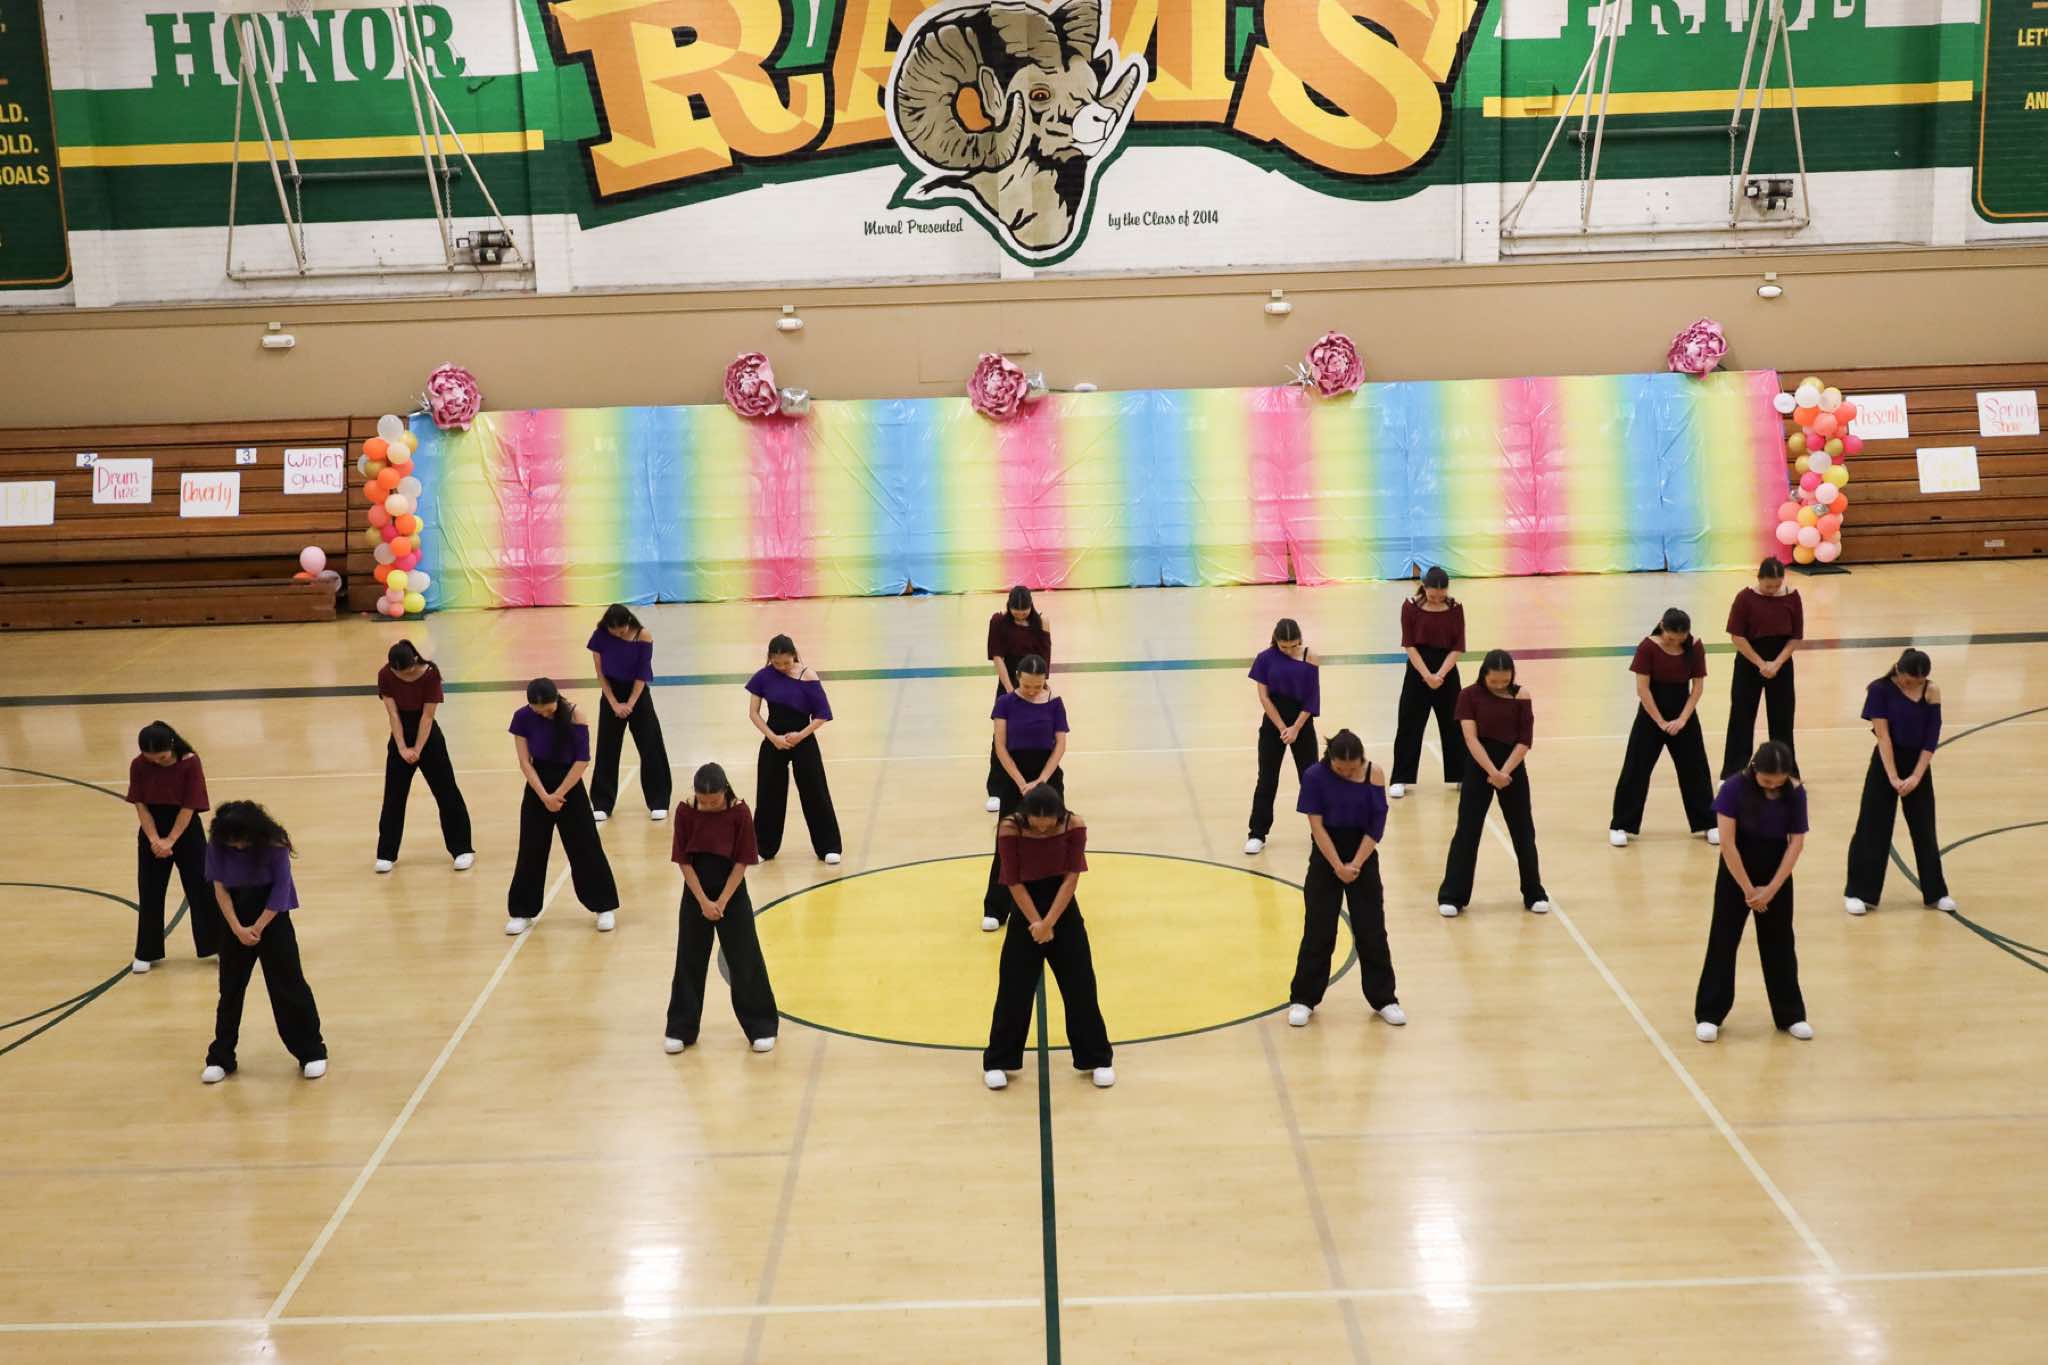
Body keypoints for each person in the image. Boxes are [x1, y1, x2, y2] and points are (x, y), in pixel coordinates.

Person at [982, 784, 1113, 1091]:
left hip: (1062, 908)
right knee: (1014, 988)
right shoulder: (1010, 828)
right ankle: (998, 1060)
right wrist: (1036, 923)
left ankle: (1097, 1057)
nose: (1042, 828)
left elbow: (1072, 876)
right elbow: (1012, 879)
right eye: (1036, 822)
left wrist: (1050, 922)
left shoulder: (1074, 824)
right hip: (1025, 909)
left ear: (1059, 814)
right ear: (1025, 815)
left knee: (1080, 985)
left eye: (1048, 822)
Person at [200, 801, 327, 1084]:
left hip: (271, 917)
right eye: (231, 842)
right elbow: (219, 889)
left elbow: (281, 889)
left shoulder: (275, 845)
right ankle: (221, 1056)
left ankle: (311, 1050)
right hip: (234, 918)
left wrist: (257, 928)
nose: (237, 846)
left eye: (241, 841)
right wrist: (237, 928)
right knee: (230, 989)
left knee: (288, 985)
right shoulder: (218, 844)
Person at [1694, 743, 1813, 1042]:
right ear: (1755, 769)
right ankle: (1710, 1013)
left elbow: (1796, 843)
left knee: (1780, 943)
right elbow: (1727, 844)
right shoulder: (1733, 789)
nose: (1773, 786)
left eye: (1778, 782)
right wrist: (1748, 889)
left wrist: (1771, 889)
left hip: (1776, 872)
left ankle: (1791, 1014)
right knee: (1723, 940)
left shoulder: (1795, 793)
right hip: (1737, 871)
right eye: (1767, 780)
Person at [1286, 730, 1403, 1028]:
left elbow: (1377, 824)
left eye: (1352, 769)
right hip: (1327, 856)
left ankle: (1384, 999)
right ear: (1330, 760)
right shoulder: (1314, 776)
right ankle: (1303, 998)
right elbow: (1316, 827)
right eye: (1340, 769)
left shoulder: (1374, 773)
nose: (1347, 773)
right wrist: (1338, 865)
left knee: (1371, 929)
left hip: (1363, 853)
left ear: (1362, 759)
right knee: (1319, 928)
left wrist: (1356, 863)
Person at [664, 764, 779, 1055]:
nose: (708, 806)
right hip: (696, 893)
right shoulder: (685, 811)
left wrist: (723, 901)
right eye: (703, 801)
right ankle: (680, 1028)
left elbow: (742, 861)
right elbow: (683, 861)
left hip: (732, 893)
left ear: (724, 791)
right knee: (689, 959)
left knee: (745, 958)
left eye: (714, 801)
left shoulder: (740, 812)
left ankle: (761, 1026)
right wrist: (703, 901)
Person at [1436, 650, 1549, 917]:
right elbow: (1470, 738)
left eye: (1505, 680)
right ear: (1483, 674)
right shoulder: (1468, 695)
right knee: (1467, 831)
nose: (1499, 685)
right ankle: (1452, 895)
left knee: (1523, 831)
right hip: (1479, 767)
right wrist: (1492, 772)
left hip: (1512, 768)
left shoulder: (1522, 696)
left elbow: (1525, 740)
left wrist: (1505, 772)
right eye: (1494, 681)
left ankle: (1534, 892)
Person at [1843, 648, 1956, 915]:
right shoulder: (1879, 690)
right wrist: (1893, 777)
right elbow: (1883, 737)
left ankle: (1936, 893)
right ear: (1898, 669)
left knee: (1925, 828)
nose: (1913, 685)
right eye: (1909, 680)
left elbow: (1931, 736)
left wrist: (1916, 776)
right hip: (1886, 762)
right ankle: (1858, 893)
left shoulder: (1931, 691)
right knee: (1872, 827)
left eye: (1919, 681)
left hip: (1918, 764)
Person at [506, 678, 620, 936]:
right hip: (538, 786)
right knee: (531, 848)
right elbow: (525, 762)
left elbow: (582, 760)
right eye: (539, 711)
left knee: (586, 846)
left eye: (548, 709)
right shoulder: (522, 717)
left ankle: (603, 906)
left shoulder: (575, 715)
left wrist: (558, 794)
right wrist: (544, 796)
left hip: (569, 785)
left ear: (557, 699)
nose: (544, 714)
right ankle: (522, 911)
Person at [1609, 608, 1717, 848]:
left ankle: (1708, 822)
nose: (1675, 642)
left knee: (1696, 769)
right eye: (1670, 638)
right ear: (1661, 626)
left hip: (1683, 714)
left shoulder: (1695, 647)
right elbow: (1642, 689)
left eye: (1680, 639)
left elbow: (1697, 688)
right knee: (1636, 769)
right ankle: (1621, 825)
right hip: (1651, 714)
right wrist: (1660, 722)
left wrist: (1682, 720)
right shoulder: (1647, 647)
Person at [126, 721, 221, 974]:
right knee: (150, 891)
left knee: (201, 888)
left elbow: (190, 805)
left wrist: (170, 840)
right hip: (152, 829)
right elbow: (140, 805)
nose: (156, 762)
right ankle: (146, 952)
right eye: (150, 758)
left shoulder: (190, 762)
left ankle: (216, 945)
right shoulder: (138, 765)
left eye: (162, 757)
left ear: (171, 746)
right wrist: (154, 839)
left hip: (186, 828)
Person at [374, 640, 475, 874]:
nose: (402, 675)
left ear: (414, 661)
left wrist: (418, 749)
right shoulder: (385, 674)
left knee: (447, 793)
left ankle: (462, 849)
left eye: (406, 671)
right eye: (397, 672)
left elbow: (427, 717)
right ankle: (386, 853)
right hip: (400, 735)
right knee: (393, 797)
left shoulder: (431, 675)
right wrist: (401, 748)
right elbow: (393, 714)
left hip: (428, 738)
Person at [983, 653, 1067, 931]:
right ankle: (996, 907)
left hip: (1048, 779)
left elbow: (1060, 745)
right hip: (1014, 778)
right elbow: (1000, 746)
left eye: (1037, 686)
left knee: (1053, 842)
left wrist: (1042, 780)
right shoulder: (1005, 703)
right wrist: (1021, 783)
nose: (1032, 691)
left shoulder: (1055, 704)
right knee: (1007, 841)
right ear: (1018, 678)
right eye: (1027, 685)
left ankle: (1053, 907)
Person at [746, 635, 842, 865]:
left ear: (794, 656)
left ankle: (828, 846)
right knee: (768, 794)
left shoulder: (808, 675)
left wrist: (800, 735)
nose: (781, 667)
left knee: (815, 791)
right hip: (774, 741)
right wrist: (773, 738)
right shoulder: (762, 677)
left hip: (804, 740)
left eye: (786, 663)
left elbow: (822, 714)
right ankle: (763, 847)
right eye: (776, 663)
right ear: (770, 658)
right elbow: (754, 714)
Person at [586, 604, 673, 822]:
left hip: (638, 694)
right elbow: (600, 673)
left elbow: (642, 672)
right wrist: (614, 703)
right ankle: (602, 803)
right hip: (611, 694)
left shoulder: (643, 635)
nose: (618, 634)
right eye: (613, 631)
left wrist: (631, 703)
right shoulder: (599, 636)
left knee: (651, 746)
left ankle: (659, 801)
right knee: (607, 748)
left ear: (629, 622)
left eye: (622, 630)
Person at [1244, 618, 1321, 856]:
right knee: (1267, 779)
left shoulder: (1310, 656)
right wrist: (1281, 728)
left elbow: (1312, 697)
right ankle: (1257, 834)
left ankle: (1320, 834)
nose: (1288, 651)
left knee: (1311, 780)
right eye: (1283, 646)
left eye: (1293, 646)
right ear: (1275, 641)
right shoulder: (1264, 658)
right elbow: (1264, 697)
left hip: (1302, 724)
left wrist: (1296, 728)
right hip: (1273, 726)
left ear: (1300, 640)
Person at [1721, 559, 1804, 779]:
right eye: (1768, 586)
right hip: (1749, 661)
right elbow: (1737, 636)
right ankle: (1733, 773)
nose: (1772, 590)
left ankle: (1786, 771)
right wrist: (1761, 663)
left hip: (1781, 662)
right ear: (1759, 579)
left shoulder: (1793, 597)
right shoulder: (1745, 598)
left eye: (1776, 585)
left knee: (1782, 719)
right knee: (1741, 716)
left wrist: (1777, 663)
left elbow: (1796, 636)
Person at [1389, 567, 1466, 799]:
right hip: (1417, 669)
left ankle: (1461, 775)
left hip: (1446, 671)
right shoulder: (1410, 607)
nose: (1437, 598)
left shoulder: (1455, 608)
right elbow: (1409, 644)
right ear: (1424, 588)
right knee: (1409, 724)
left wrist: (1440, 675)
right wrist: (1427, 675)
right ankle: (1400, 778)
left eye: (1442, 594)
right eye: (1433, 595)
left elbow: (1458, 646)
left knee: (1454, 724)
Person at [985, 585, 1051, 813]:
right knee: (1001, 736)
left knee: (1037, 734)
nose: (1020, 614)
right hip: (1009, 683)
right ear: (1009, 606)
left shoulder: (1041, 623)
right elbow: (998, 656)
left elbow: (1045, 657)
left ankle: (1037, 782)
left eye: (1024, 610)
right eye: (1016, 610)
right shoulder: (998, 622)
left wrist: (1039, 687)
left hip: (1034, 683)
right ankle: (996, 790)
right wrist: (1010, 690)